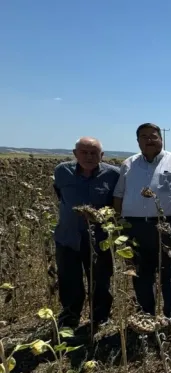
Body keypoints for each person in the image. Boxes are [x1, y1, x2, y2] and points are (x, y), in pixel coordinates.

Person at [113, 123, 171, 325]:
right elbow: (119, 195)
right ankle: (146, 317)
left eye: (153, 136)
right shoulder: (128, 164)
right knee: (141, 272)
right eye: (144, 136)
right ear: (138, 140)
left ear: (161, 138)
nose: (149, 139)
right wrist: (117, 224)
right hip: (135, 226)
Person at [53, 137, 120, 331]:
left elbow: (116, 204)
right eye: (84, 152)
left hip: (99, 239)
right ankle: (70, 317)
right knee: (69, 279)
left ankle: (100, 318)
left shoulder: (114, 175)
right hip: (68, 237)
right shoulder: (62, 171)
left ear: (102, 155)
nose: (89, 156)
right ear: (75, 154)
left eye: (94, 153)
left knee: (100, 280)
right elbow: (60, 195)